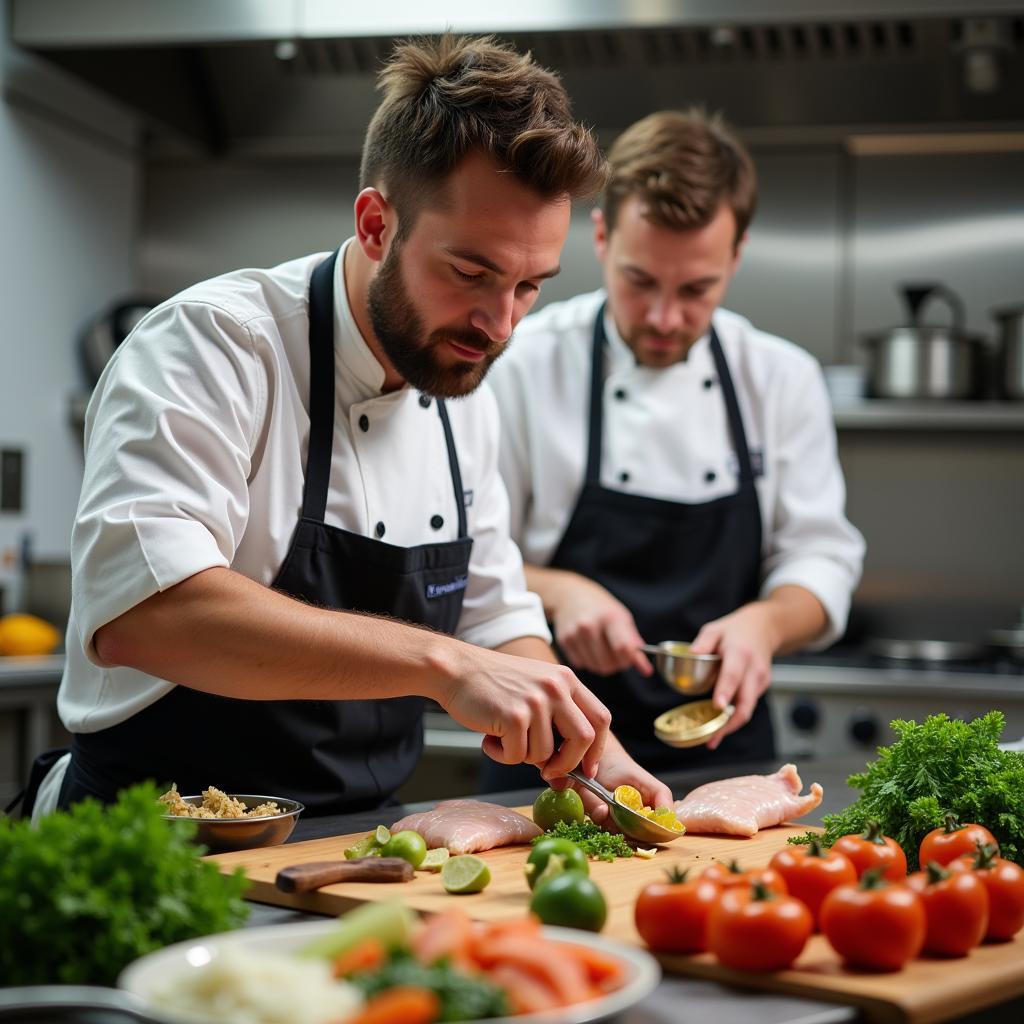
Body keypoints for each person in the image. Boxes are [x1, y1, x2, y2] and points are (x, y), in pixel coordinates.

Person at [28, 36, 671, 820]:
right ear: (375, 224)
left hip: (357, 852)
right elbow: (148, 617)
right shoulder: (215, 343)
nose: (499, 324)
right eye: (470, 273)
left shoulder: (461, 379)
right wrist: (443, 663)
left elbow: (495, 616)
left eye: (529, 285)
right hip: (158, 842)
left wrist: (589, 745)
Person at [484, 108, 865, 785]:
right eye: (640, 281)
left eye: (696, 290)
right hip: (550, 748)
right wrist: (562, 591)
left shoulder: (780, 377)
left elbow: (822, 556)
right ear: (601, 237)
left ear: (736, 256)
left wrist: (767, 625)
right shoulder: (523, 364)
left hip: (729, 755)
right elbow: (473, 556)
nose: (664, 318)